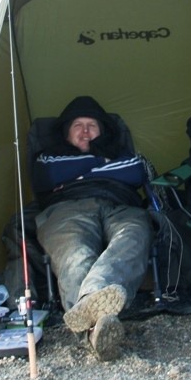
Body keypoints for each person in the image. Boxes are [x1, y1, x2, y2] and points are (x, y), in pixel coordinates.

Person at [31, 95, 153, 361]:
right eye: (78, 125)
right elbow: (49, 175)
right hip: (67, 208)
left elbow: (135, 171)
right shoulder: (50, 156)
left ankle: (92, 304)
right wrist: (104, 165)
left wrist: (77, 172)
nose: (85, 131)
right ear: (66, 132)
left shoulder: (122, 154)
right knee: (75, 252)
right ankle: (96, 327)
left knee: (131, 237)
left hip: (120, 205)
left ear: (103, 131)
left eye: (92, 126)